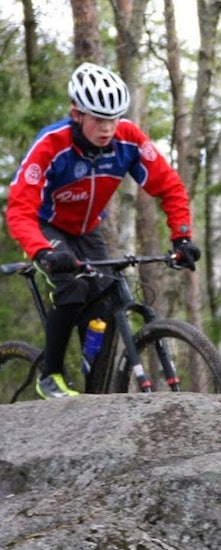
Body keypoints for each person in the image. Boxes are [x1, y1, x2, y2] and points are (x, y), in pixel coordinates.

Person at [5, 62, 200, 399]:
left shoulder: (128, 140)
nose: (107, 127)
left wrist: (181, 236)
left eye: (114, 118)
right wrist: (43, 251)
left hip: (88, 229)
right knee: (73, 290)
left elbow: (169, 186)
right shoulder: (52, 145)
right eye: (98, 118)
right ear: (76, 114)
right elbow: (20, 208)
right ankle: (49, 375)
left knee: (105, 299)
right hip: (46, 225)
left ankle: (94, 385)